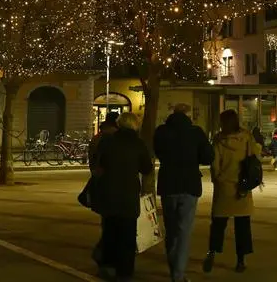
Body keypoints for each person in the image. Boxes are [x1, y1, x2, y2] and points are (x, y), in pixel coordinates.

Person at [154, 104, 214, 282]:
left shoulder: (161, 131)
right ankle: (178, 274)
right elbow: (207, 156)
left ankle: (174, 267)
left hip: (168, 184)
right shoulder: (195, 132)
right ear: (188, 115)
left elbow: (158, 152)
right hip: (189, 184)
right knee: (184, 231)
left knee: (171, 229)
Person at [92, 112, 154, 281]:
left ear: (119, 125)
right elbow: (147, 168)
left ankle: (107, 265)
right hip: (128, 195)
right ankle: (124, 272)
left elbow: (98, 163)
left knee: (109, 231)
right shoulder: (138, 144)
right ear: (135, 125)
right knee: (127, 235)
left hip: (109, 193)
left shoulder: (108, 141)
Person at [203, 109, 261, 274]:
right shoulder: (246, 137)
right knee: (242, 225)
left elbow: (215, 164)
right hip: (242, 187)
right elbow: (253, 157)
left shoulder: (219, 140)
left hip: (224, 186)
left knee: (218, 224)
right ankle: (241, 260)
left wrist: (218, 179)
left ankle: (212, 251)